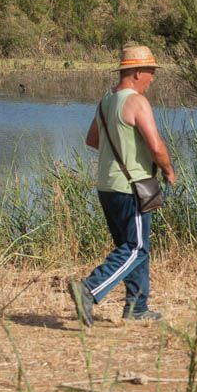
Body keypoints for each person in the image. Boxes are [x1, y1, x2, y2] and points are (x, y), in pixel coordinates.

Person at [67, 44, 176, 326]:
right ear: (138, 71)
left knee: (131, 247)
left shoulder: (106, 101)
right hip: (132, 186)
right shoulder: (137, 102)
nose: (152, 78)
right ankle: (88, 290)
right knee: (136, 249)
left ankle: (137, 307)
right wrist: (167, 169)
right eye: (151, 72)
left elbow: (92, 140)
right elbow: (155, 144)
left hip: (107, 185)